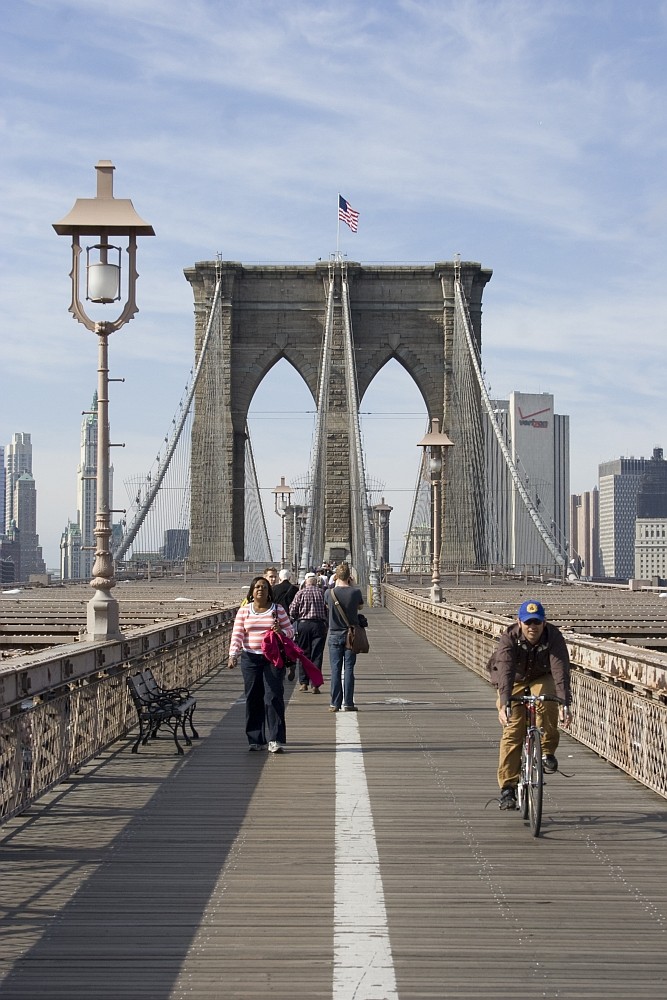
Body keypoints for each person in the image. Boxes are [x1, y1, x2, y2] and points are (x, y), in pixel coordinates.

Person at [488, 598, 572, 810]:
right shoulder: (509, 637)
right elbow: (505, 670)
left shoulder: (553, 637)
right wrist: (504, 702)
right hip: (513, 678)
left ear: (544, 622)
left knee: (548, 701)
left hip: (540, 675)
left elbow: (560, 670)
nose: (532, 627)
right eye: (528, 623)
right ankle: (507, 787)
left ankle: (546, 751)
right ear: (519, 622)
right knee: (513, 730)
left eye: (536, 622)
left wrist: (565, 703)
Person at [228, 575, 293, 753]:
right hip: (250, 658)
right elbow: (238, 633)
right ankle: (255, 739)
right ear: (252, 592)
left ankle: (275, 739)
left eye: (264, 587)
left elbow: (291, 631)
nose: (260, 590)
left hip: (272, 658)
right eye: (257, 587)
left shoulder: (277, 610)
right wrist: (233, 654)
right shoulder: (244, 611)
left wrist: (282, 631)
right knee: (253, 698)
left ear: (269, 592)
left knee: (273, 697)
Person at [325, 562, 364, 712]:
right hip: (351, 635)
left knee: (335, 669)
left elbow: (328, 607)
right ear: (349, 576)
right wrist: (353, 584)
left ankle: (335, 703)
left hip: (334, 634)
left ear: (335, 576)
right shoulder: (355, 593)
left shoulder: (329, 593)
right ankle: (348, 703)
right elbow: (360, 607)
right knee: (349, 669)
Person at [289, 571, 327, 693]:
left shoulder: (300, 593)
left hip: (303, 625)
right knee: (317, 655)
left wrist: (296, 618)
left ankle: (304, 683)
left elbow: (292, 610)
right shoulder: (322, 593)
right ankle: (315, 684)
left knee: (304, 654)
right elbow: (327, 611)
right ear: (316, 582)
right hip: (318, 625)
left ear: (305, 582)